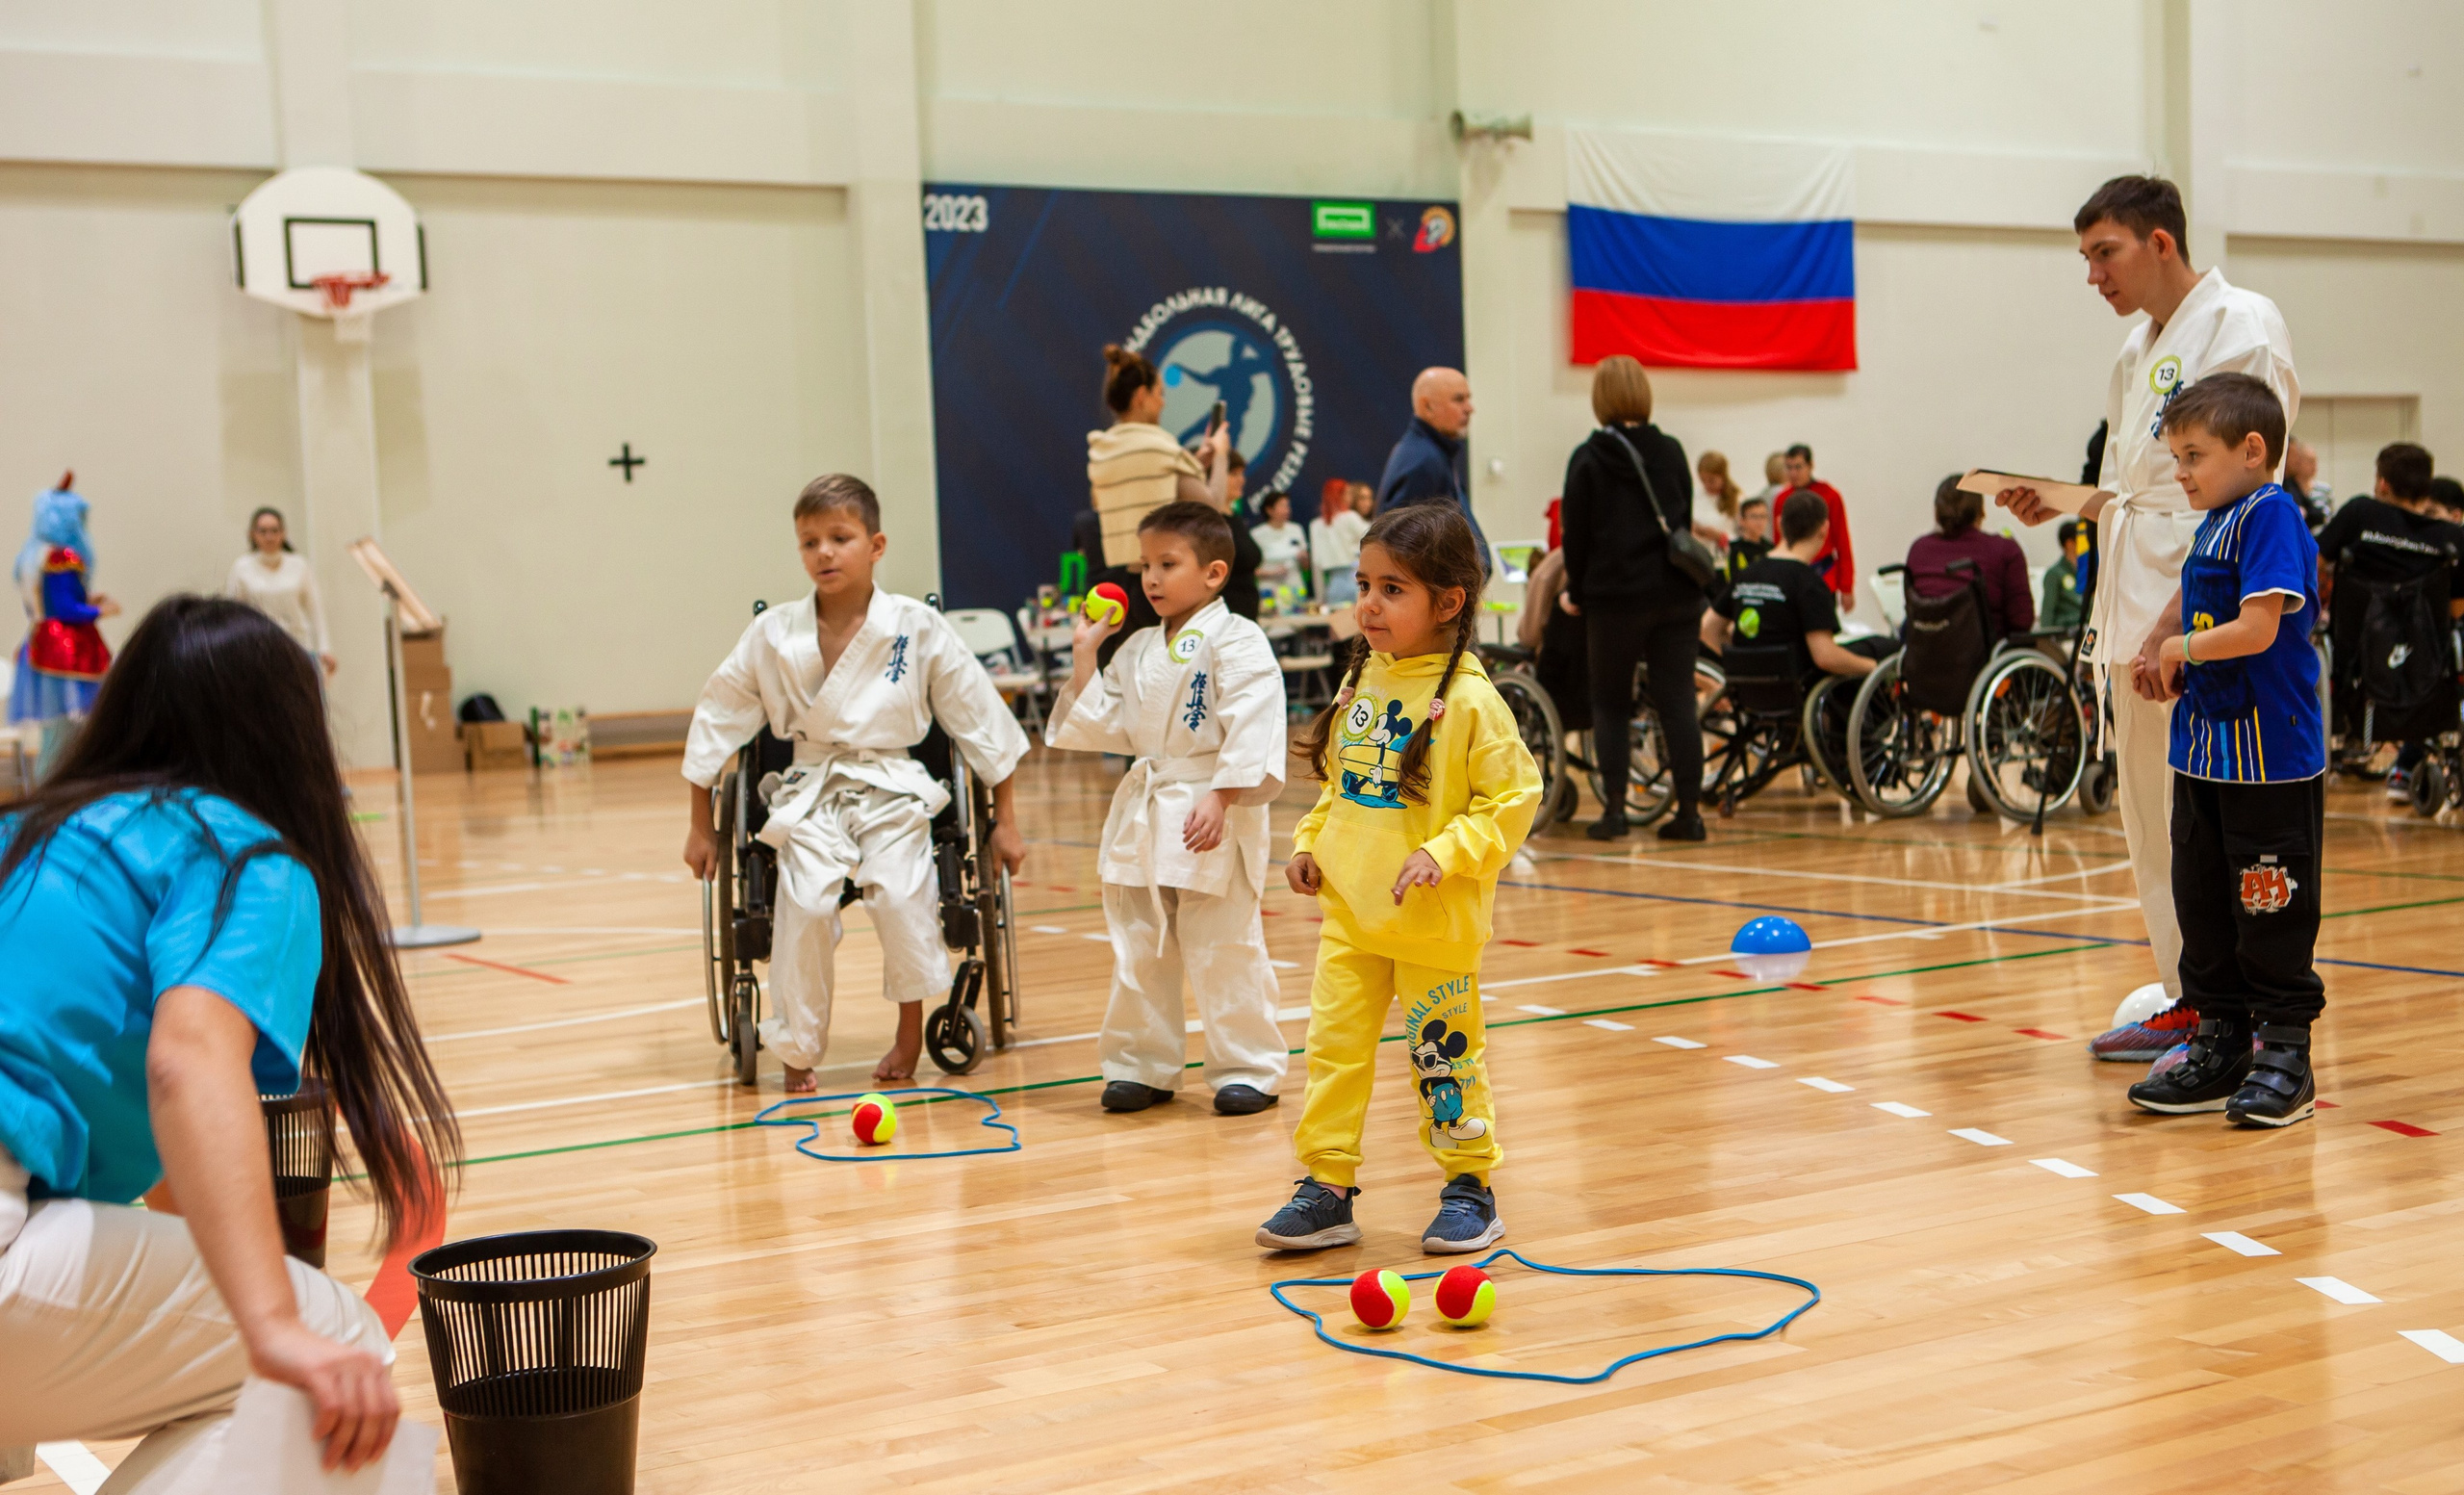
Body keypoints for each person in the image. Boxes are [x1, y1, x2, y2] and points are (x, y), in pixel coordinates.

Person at [0, 596, 460, 1484]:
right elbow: (189, 1059)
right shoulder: (244, 856)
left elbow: (171, 1164)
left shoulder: (29, 830)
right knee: (336, 1340)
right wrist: (272, 1323)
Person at [1994, 175, 2297, 1063]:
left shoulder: (2243, 323)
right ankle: (2190, 995)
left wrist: (2179, 621)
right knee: (2154, 825)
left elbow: (2246, 490)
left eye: (2105, 252)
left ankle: (2239, 1015)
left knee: (2210, 828)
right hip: (2132, 619)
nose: (2093, 275)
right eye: (2085, 257)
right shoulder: (2136, 349)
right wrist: (2063, 502)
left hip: (2201, 626)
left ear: (2160, 242)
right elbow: (2143, 492)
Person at [681, 475, 1030, 1090]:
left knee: (900, 894)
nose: (824, 552)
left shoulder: (916, 626)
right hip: (810, 788)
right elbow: (716, 720)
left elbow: (981, 720)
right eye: (809, 541)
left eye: (840, 538)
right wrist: (700, 826)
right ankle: (797, 1044)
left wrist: (1005, 820)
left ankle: (908, 1032)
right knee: (806, 903)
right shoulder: (774, 633)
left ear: (876, 545)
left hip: (894, 786)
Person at [1255, 504, 1541, 1255]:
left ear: (1448, 602)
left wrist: (1445, 850)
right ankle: (1327, 1187)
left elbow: (1514, 799)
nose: (1369, 605)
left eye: (1392, 589)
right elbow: (1344, 786)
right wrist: (1311, 843)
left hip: (1432, 925)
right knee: (1332, 1051)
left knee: (1444, 1060)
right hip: (1351, 916)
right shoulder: (1362, 679)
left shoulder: (1473, 701)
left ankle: (1470, 1186)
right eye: (1363, 585)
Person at [2118, 374, 2323, 1127]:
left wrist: (2181, 646)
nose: (2180, 472)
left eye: (2193, 456)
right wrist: (2163, 651)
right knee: (2202, 901)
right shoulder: (2215, 521)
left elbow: (2258, 629)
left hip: (2269, 757)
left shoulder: (2270, 514)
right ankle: (2220, 1040)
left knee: (2268, 905)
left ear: (2252, 449)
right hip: (2203, 751)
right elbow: (2199, 609)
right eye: (2175, 457)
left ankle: (2286, 1051)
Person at [1047, 501, 1291, 1118]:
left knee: (1224, 942)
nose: (1150, 579)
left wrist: (1224, 794)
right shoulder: (1136, 647)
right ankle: (1140, 1065)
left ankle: (1249, 1068)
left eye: (1167, 564)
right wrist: (1086, 652)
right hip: (1149, 803)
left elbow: (1255, 722)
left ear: (1213, 573)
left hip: (1211, 802)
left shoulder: (1239, 638)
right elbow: (1106, 723)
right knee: (1139, 940)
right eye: (1144, 566)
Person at [1557, 355, 1707, 842]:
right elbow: (1683, 518)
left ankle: (1616, 811)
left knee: (1611, 704)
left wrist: (1577, 590)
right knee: (1678, 702)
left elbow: (1576, 534)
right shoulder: (1671, 450)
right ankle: (1689, 813)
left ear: (1600, 399)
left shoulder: (1588, 457)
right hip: (1676, 594)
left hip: (1615, 597)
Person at [2313, 442, 2463, 801]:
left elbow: (2315, 562)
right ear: (2426, 487)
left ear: (2382, 483)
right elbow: (2456, 611)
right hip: (2425, 667)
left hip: (2357, 666)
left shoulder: (2360, 514)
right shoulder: (2451, 539)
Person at [1087, 345, 1229, 665]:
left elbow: (1139, 492)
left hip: (1119, 589)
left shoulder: (1101, 450)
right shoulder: (1160, 447)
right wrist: (1220, 454)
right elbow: (1213, 508)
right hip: (1164, 586)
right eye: (1160, 394)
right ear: (1141, 396)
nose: (1163, 402)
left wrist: (1192, 463)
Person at [1705, 491, 1889, 683]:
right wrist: (1875, 668)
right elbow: (1825, 657)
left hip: (1751, 685)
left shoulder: (1748, 574)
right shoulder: (1809, 582)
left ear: (1780, 524)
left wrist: (1745, 662)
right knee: (1884, 648)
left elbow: (1708, 629)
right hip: (1799, 685)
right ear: (1824, 529)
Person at [10, 477, 116, 776]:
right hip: (65, 653)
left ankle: (51, 786)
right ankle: (57, 789)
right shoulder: (61, 557)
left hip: (40, 644)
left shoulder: (32, 555)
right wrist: (100, 610)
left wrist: (87, 600)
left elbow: (49, 603)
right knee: (66, 733)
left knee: (55, 733)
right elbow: (66, 609)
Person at [1374, 366, 1489, 571]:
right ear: (1427, 406)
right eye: (1459, 399)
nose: (1469, 408)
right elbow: (1404, 553)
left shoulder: (1431, 453)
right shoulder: (1423, 461)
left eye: (1468, 399)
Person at [1907, 475, 2035, 637]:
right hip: (1985, 650)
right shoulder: (2004, 549)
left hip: (1923, 649)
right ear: (1981, 511)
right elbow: (2022, 621)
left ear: (1937, 512)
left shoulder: (1919, 549)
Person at [224, 507, 336, 677]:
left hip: (297, 645)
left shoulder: (299, 565)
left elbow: (315, 609)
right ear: (252, 534)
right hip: (257, 649)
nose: (269, 537)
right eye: (263, 531)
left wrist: (324, 648)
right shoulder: (241, 567)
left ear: (283, 533)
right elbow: (232, 614)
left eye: (274, 531)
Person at [1774, 445, 1857, 611]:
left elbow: (1842, 541)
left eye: (1798, 467)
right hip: (1792, 576)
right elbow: (1778, 541)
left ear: (1810, 466)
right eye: (1789, 468)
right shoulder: (1782, 499)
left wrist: (1846, 586)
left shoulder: (1830, 496)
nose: (1793, 473)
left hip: (1823, 575)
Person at [1311, 478, 1370, 605]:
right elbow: (1375, 538)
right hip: (1356, 578)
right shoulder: (1350, 517)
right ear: (1339, 495)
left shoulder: (1316, 525)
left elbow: (1316, 563)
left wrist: (1319, 597)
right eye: (1347, 493)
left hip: (1333, 585)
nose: (1350, 498)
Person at [1249, 489, 1309, 609]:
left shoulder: (1296, 529)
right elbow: (1252, 570)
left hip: (1294, 588)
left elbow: (1306, 566)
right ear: (1269, 510)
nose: (1287, 510)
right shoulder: (1257, 534)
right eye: (1282, 506)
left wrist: (1303, 558)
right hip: (1269, 589)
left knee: (1298, 618)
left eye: (1287, 506)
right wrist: (1273, 572)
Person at [2040, 519, 2091, 632]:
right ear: (2070, 543)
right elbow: (2047, 615)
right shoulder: (2054, 574)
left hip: (2089, 632)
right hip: (2065, 634)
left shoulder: (2088, 572)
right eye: (2083, 540)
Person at [2282, 437, 2335, 531]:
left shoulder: (2293, 485)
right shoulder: (2284, 484)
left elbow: (2318, 515)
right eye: (2294, 455)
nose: (2296, 461)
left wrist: (2306, 513)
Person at [1696, 450, 1747, 541]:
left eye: (1711, 480)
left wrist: (1720, 537)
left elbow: (1744, 537)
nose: (1706, 485)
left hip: (1722, 548)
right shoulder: (1696, 495)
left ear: (1723, 476)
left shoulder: (1737, 498)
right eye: (1702, 480)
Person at [1724, 496, 1774, 581]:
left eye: (1763, 516)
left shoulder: (1771, 548)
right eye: (1754, 516)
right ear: (1742, 520)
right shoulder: (1733, 549)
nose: (1759, 522)